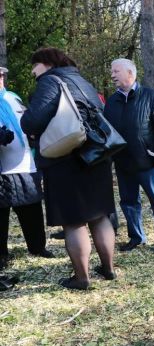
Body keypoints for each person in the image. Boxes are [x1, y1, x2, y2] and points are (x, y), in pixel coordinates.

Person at [21, 47, 116, 290]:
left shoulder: (50, 81)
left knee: (74, 221)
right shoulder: (82, 80)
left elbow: (32, 121)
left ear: (47, 63)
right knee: (100, 215)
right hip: (95, 156)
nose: (33, 71)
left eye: (35, 65)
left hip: (66, 159)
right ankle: (108, 269)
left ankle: (82, 278)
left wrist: (27, 122)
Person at [104, 58, 154, 255]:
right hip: (123, 163)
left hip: (149, 162)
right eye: (112, 71)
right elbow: (107, 133)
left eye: (116, 71)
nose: (112, 75)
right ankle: (136, 237)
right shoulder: (111, 102)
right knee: (128, 202)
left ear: (130, 73)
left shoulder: (152, 96)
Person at [0, 66, 53, 273]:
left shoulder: (13, 98)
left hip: (24, 163)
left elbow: (29, 119)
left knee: (31, 206)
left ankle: (37, 246)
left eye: (1, 76)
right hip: (2, 168)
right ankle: (2, 254)